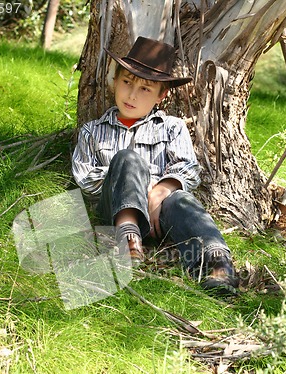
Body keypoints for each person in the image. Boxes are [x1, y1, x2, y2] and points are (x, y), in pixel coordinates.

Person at [72, 36, 239, 295]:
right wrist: (135, 183)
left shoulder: (172, 127)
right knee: (127, 159)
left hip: (160, 217)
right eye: (127, 82)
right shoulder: (92, 131)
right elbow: (85, 179)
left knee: (182, 199)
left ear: (162, 95)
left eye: (145, 89)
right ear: (114, 81)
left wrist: (160, 190)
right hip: (114, 213)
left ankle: (216, 263)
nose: (132, 94)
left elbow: (188, 168)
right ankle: (128, 240)